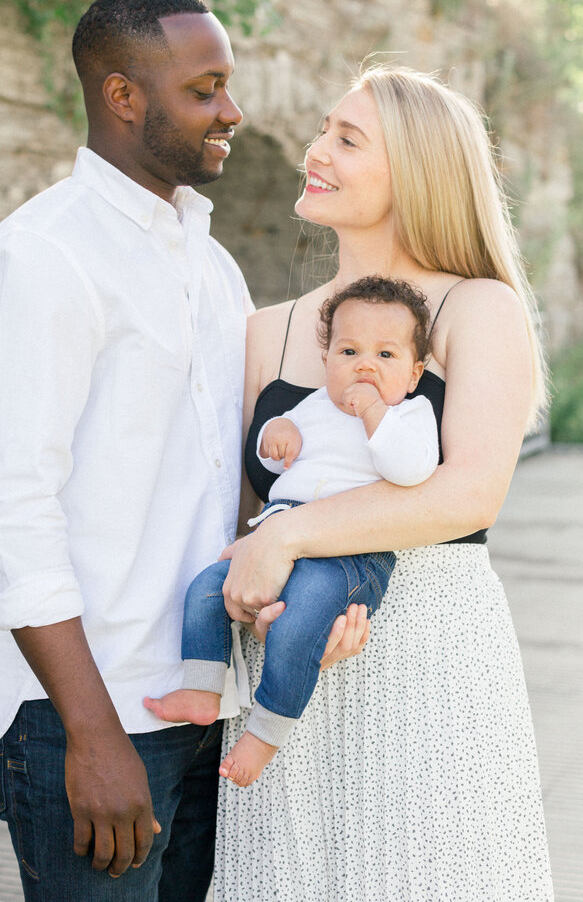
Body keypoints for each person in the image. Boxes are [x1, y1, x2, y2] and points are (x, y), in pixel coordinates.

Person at [213, 66, 555, 901]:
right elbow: (245, 511)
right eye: (324, 129)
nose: (314, 150)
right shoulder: (265, 330)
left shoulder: (479, 309)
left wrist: (290, 539)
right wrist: (274, 600)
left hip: (432, 650)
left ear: (418, 172)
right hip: (289, 660)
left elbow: (469, 494)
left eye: (346, 138)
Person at [0, 0, 256, 902]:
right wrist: (92, 733)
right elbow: (9, 509)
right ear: (122, 96)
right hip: (82, 718)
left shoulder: (211, 264)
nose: (230, 111)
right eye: (203, 90)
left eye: (225, 86)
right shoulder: (43, 257)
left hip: (200, 703)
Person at [144, 276, 438, 786]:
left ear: (414, 374)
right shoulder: (314, 407)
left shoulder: (409, 415)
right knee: (207, 589)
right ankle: (201, 686)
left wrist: (372, 411)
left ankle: (264, 731)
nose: (365, 365)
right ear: (327, 361)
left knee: (299, 624)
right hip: (276, 536)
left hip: (349, 554)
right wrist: (275, 436)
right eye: (349, 350)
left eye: (385, 356)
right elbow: (278, 462)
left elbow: (411, 470)